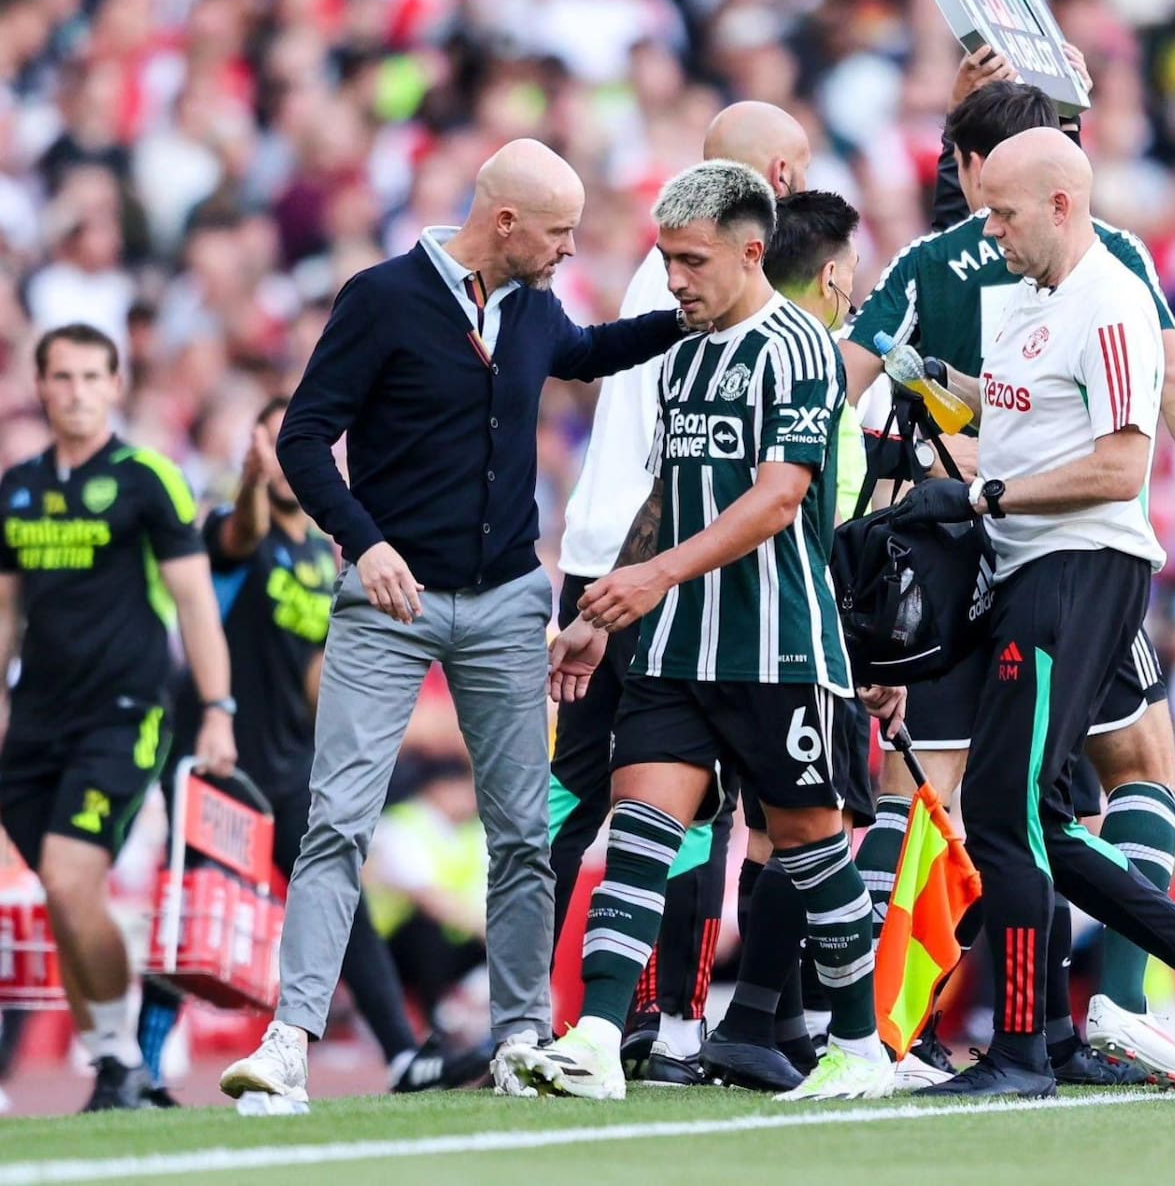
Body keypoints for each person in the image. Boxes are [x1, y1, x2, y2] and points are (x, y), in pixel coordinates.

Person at [218, 138, 693, 1109]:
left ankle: (520, 1035)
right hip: (390, 602)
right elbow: (306, 437)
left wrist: (688, 317)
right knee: (335, 822)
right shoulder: (382, 297)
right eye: (559, 232)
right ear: (506, 221)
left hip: (509, 599)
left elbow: (587, 352)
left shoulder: (527, 306)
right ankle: (289, 1039)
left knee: (522, 832)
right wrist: (365, 541)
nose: (569, 250)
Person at [497, 160, 904, 1103]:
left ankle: (860, 1044)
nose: (674, 280)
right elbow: (669, 494)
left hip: (779, 648)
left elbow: (778, 499)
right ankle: (599, 1036)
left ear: (750, 252)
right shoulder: (681, 354)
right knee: (639, 834)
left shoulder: (801, 347)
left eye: (690, 261)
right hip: (678, 647)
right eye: (666, 260)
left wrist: (650, 576)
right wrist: (605, 610)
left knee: (808, 850)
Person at [845, 76, 1175, 1088]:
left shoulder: (1111, 298)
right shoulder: (1035, 303)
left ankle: (1021, 1048)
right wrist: (927, 384)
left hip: (1076, 569)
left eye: (1001, 213)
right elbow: (1010, 413)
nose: (985, 231)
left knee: (1005, 810)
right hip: (1027, 571)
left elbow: (1122, 467)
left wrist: (983, 498)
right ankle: (1071, 1021)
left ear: (1060, 202)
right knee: (1033, 816)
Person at [552, 99, 812, 1087]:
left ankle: (548, 1016)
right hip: (666, 558)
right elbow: (696, 462)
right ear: (775, 180)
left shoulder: (663, 269)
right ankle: (678, 1025)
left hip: (596, 553)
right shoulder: (731, 294)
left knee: (587, 798)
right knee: (699, 803)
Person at [138, 399, 477, 1106]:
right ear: (262, 446)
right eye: (283, 437)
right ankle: (141, 1070)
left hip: (294, 767)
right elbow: (239, 534)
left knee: (338, 904)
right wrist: (254, 484)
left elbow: (317, 675)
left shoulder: (327, 557)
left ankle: (403, 1054)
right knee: (193, 913)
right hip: (221, 761)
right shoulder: (233, 528)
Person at [0, 323, 236, 1111]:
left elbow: (197, 603)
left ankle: (115, 1055)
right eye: (60, 378)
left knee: (70, 879)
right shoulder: (17, 487)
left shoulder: (149, 480)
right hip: (33, 722)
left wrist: (216, 710)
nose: (74, 392)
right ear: (40, 386)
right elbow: (4, 613)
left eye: (90, 377)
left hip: (125, 714)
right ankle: (120, 1060)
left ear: (115, 386)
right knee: (69, 899)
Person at [698, 188, 882, 1092]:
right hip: (799, 640)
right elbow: (824, 530)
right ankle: (781, 1022)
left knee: (774, 834)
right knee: (814, 833)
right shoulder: (814, 369)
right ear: (838, 274)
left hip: (721, 637)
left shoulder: (728, 354)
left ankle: (767, 1023)